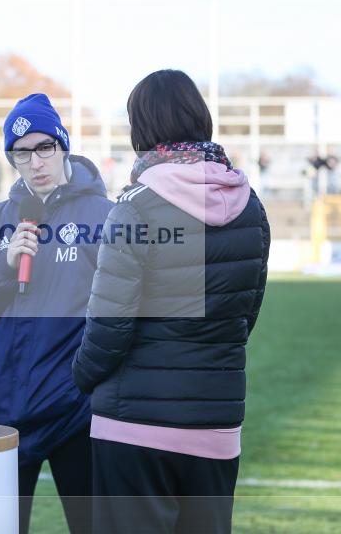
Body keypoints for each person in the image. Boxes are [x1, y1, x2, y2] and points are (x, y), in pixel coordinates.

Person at [73, 69, 270, 534]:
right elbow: (246, 314)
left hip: (135, 424)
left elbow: (108, 326)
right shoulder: (251, 205)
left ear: (142, 128)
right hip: (216, 424)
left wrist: (81, 376)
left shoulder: (136, 205)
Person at [0, 93, 113, 534]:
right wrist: (3, 267)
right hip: (3, 411)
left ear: (63, 146)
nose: (36, 162)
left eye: (45, 148)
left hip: (76, 411)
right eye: (22, 153)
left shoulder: (105, 217)